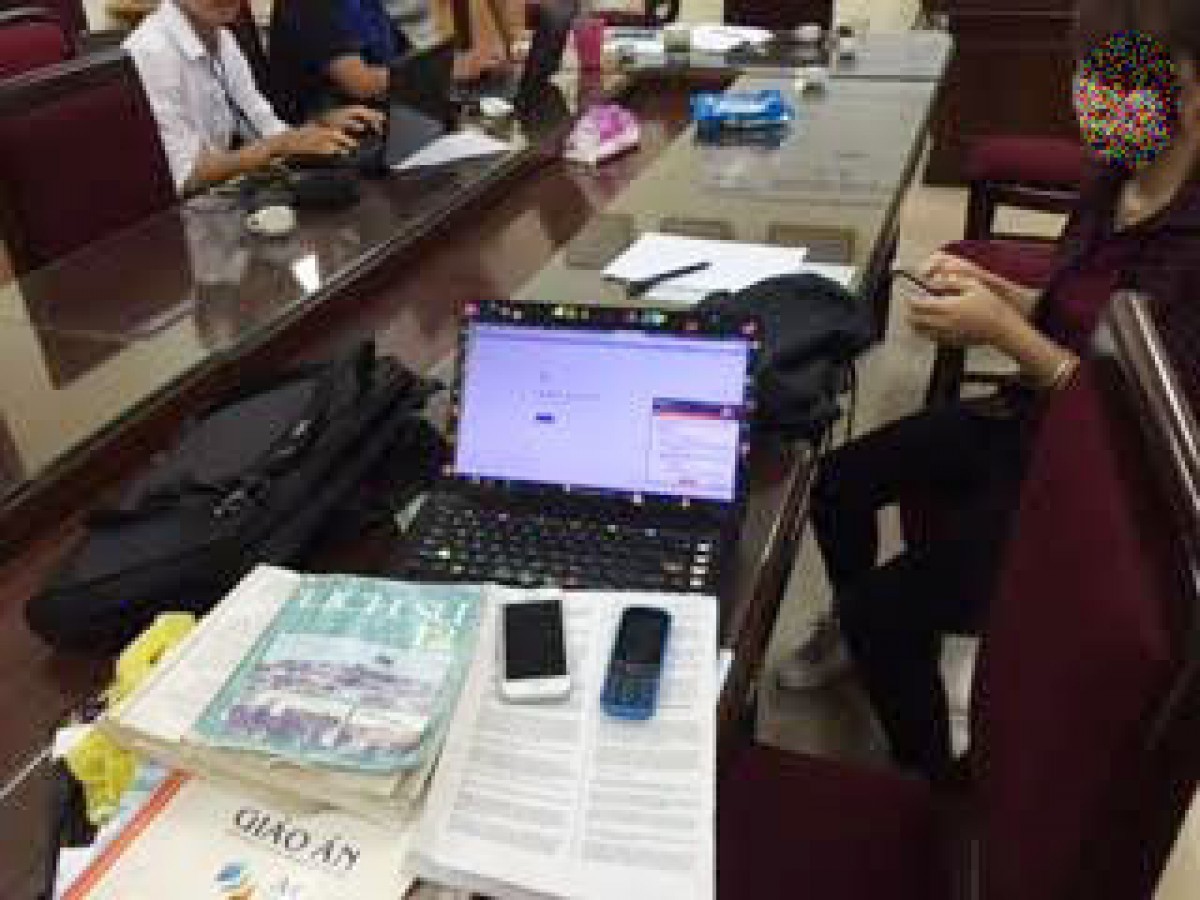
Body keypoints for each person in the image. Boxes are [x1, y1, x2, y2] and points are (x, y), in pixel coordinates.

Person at [776, 0, 1200, 779]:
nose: (1087, 97)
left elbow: (1134, 413)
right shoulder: (1114, 177)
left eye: (1113, 79)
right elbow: (1068, 306)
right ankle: (860, 637)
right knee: (833, 483)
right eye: (1085, 74)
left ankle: (933, 782)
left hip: (1106, 479)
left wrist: (1000, 330)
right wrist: (997, 289)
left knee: (887, 611)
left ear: (1188, 86)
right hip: (1034, 420)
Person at [125, 0, 383, 195]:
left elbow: (265, 127)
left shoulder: (223, 37)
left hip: (218, 206)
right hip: (177, 221)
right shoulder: (151, 52)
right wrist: (277, 146)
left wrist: (320, 125)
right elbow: (186, 177)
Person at [268, 0, 503, 123]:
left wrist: (465, 64)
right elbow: (359, 83)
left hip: (381, 118)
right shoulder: (307, 3)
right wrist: (451, 69)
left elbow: (407, 61)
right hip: (323, 134)